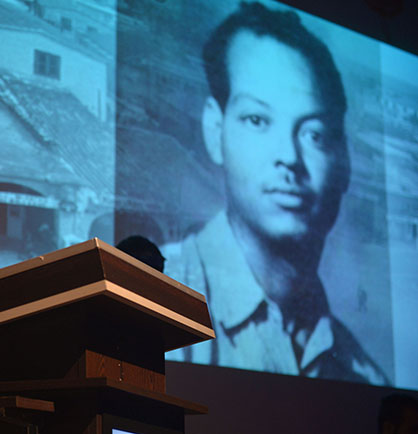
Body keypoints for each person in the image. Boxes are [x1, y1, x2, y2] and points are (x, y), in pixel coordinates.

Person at [163, 2, 388, 385]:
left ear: (344, 161)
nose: (289, 157)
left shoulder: (365, 377)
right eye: (257, 120)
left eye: (314, 134)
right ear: (215, 130)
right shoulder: (149, 298)